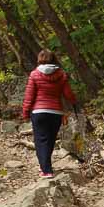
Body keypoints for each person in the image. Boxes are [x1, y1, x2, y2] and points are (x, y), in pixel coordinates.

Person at [21, 49, 78, 178]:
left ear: (39, 59)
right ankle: (47, 167)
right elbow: (68, 94)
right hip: (55, 112)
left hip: (39, 112)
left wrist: (25, 112)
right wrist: (74, 103)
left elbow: (29, 96)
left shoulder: (34, 74)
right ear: (54, 59)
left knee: (41, 141)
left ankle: (46, 170)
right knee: (50, 140)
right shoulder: (61, 74)